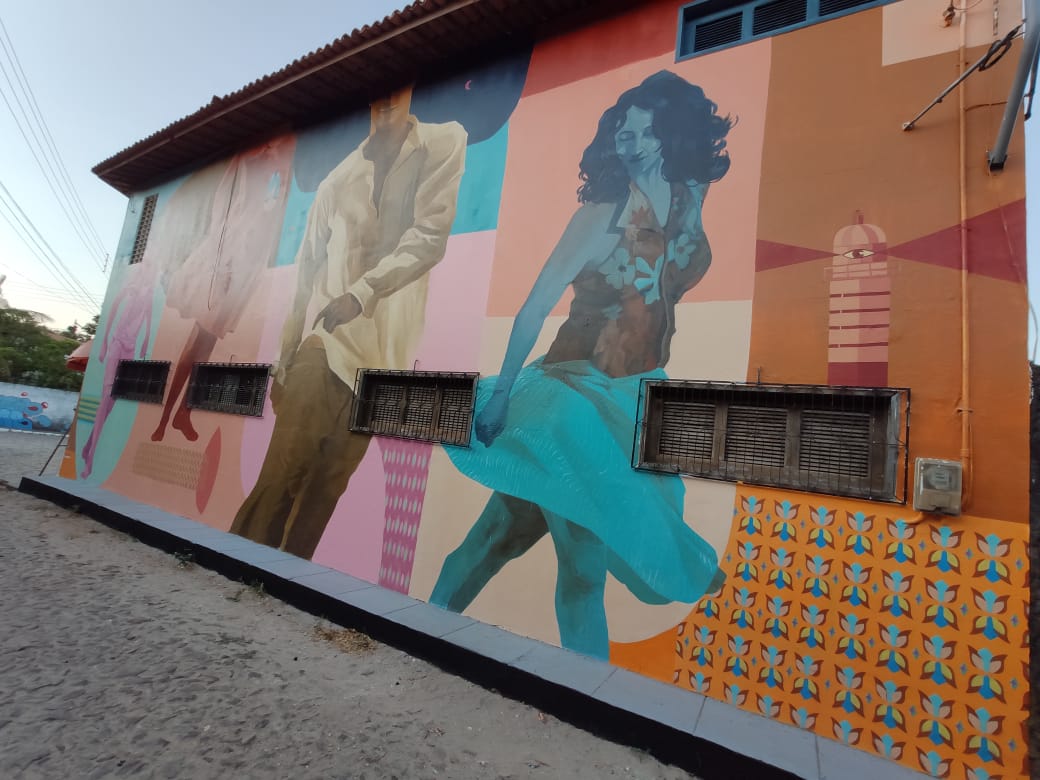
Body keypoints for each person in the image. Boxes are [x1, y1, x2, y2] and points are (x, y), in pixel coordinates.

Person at [430, 70, 733, 659]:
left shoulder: (689, 196)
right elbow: (534, 306)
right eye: (623, 129)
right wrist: (501, 396)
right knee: (583, 565)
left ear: (669, 136)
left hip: (635, 400)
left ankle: (425, 624)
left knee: (498, 536)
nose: (630, 141)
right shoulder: (600, 215)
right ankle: (590, 689)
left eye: (645, 130)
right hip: (571, 401)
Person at [231, 85, 467, 558]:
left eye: (398, 86)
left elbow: (430, 236)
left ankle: (283, 581)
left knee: (325, 492)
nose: (386, 97)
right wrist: (284, 358)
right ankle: (235, 567)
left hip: (383, 364)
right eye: (378, 92)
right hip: (326, 347)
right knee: (282, 476)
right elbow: (306, 274)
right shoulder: (336, 181)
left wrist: (360, 295)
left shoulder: (444, 142)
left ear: (412, 88)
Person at [150, 136, 295, 442]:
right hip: (226, 267)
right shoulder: (247, 167)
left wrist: (282, 179)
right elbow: (231, 216)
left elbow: (271, 226)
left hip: (240, 271)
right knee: (197, 342)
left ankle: (181, 413)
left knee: (206, 344)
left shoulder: (273, 182)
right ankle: (166, 418)